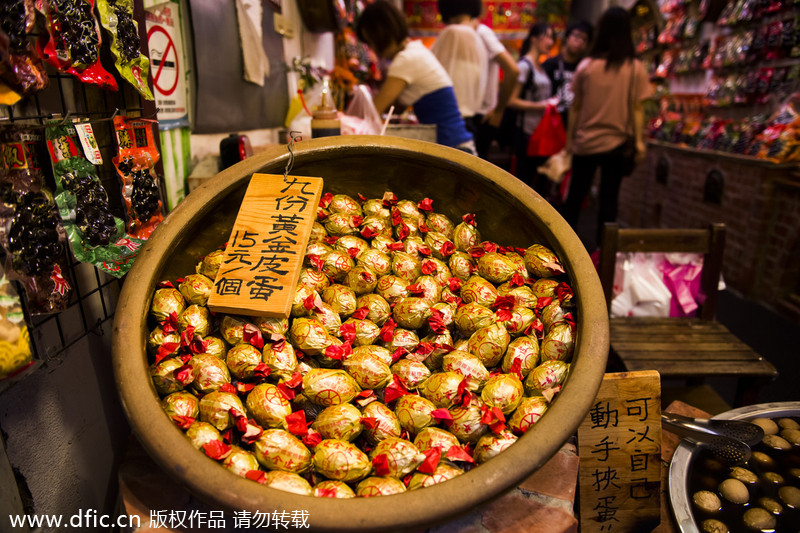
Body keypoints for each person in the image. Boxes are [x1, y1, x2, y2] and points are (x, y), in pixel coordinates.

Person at [561, 6, 652, 250]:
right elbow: (636, 108)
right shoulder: (635, 68)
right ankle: (605, 256)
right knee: (609, 202)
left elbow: (576, 108)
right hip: (617, 145)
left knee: (575, 199)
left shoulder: (587, 66)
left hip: (585, 142)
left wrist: (570, 142)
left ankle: (566, 253)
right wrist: (640, 142)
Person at [355, 0, 476, 154]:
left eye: (371, 42)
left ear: (381, 34)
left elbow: (374, 110)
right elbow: (396, 107)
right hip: (456, 145)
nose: (372, 49)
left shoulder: (406, 59)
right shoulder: (415, 51)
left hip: (454, 149)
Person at [434, 0, 520, 160]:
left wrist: (498, 111)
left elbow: (512, 70)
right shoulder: (467, 32)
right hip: (472, 115)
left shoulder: (479, 32)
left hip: (479, 115)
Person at [505, 23, 557, 194]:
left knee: (538, 185)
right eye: (547, 36)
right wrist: (542, 105)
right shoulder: (524, 66)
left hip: (541, 133)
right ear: (534, 38)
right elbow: (511, 100)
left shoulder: (540, 68)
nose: (551, 42)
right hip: (527, 134)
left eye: (552, 38)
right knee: (524, 184)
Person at [542, 20, 593, 125]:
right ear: (567, 37)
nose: (580, 42)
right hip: (551, 122)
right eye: (577, 36)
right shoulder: (550, 64)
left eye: (584, 39)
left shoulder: (585, 68)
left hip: (575, 124)